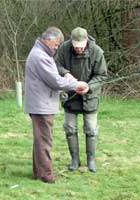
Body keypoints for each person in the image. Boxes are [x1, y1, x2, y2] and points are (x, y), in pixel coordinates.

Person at [24, 27, 88, 183]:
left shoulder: (41, 53)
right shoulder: (40, 56)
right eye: (56, 44)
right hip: (41, 105)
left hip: (41, 103)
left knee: (40, 139)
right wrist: (76, 84)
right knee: (44, 140)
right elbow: (55, 81)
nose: (57, 47)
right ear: (48, 40)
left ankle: (39, 172)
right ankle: (46, 174)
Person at [55, 27, 107, 173]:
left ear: (86, 42)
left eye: (81, 47)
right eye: (76, 47)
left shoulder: (97, 51)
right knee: (70, 129)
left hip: (90, 96)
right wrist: (66, 74)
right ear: (71, 42)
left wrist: (88, 87)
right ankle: (74, 159)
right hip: (70, 95)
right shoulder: (63, 49)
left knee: (91, 129)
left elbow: (102, 75)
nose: (78, 49)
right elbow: (55, 65)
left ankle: (91, 160)